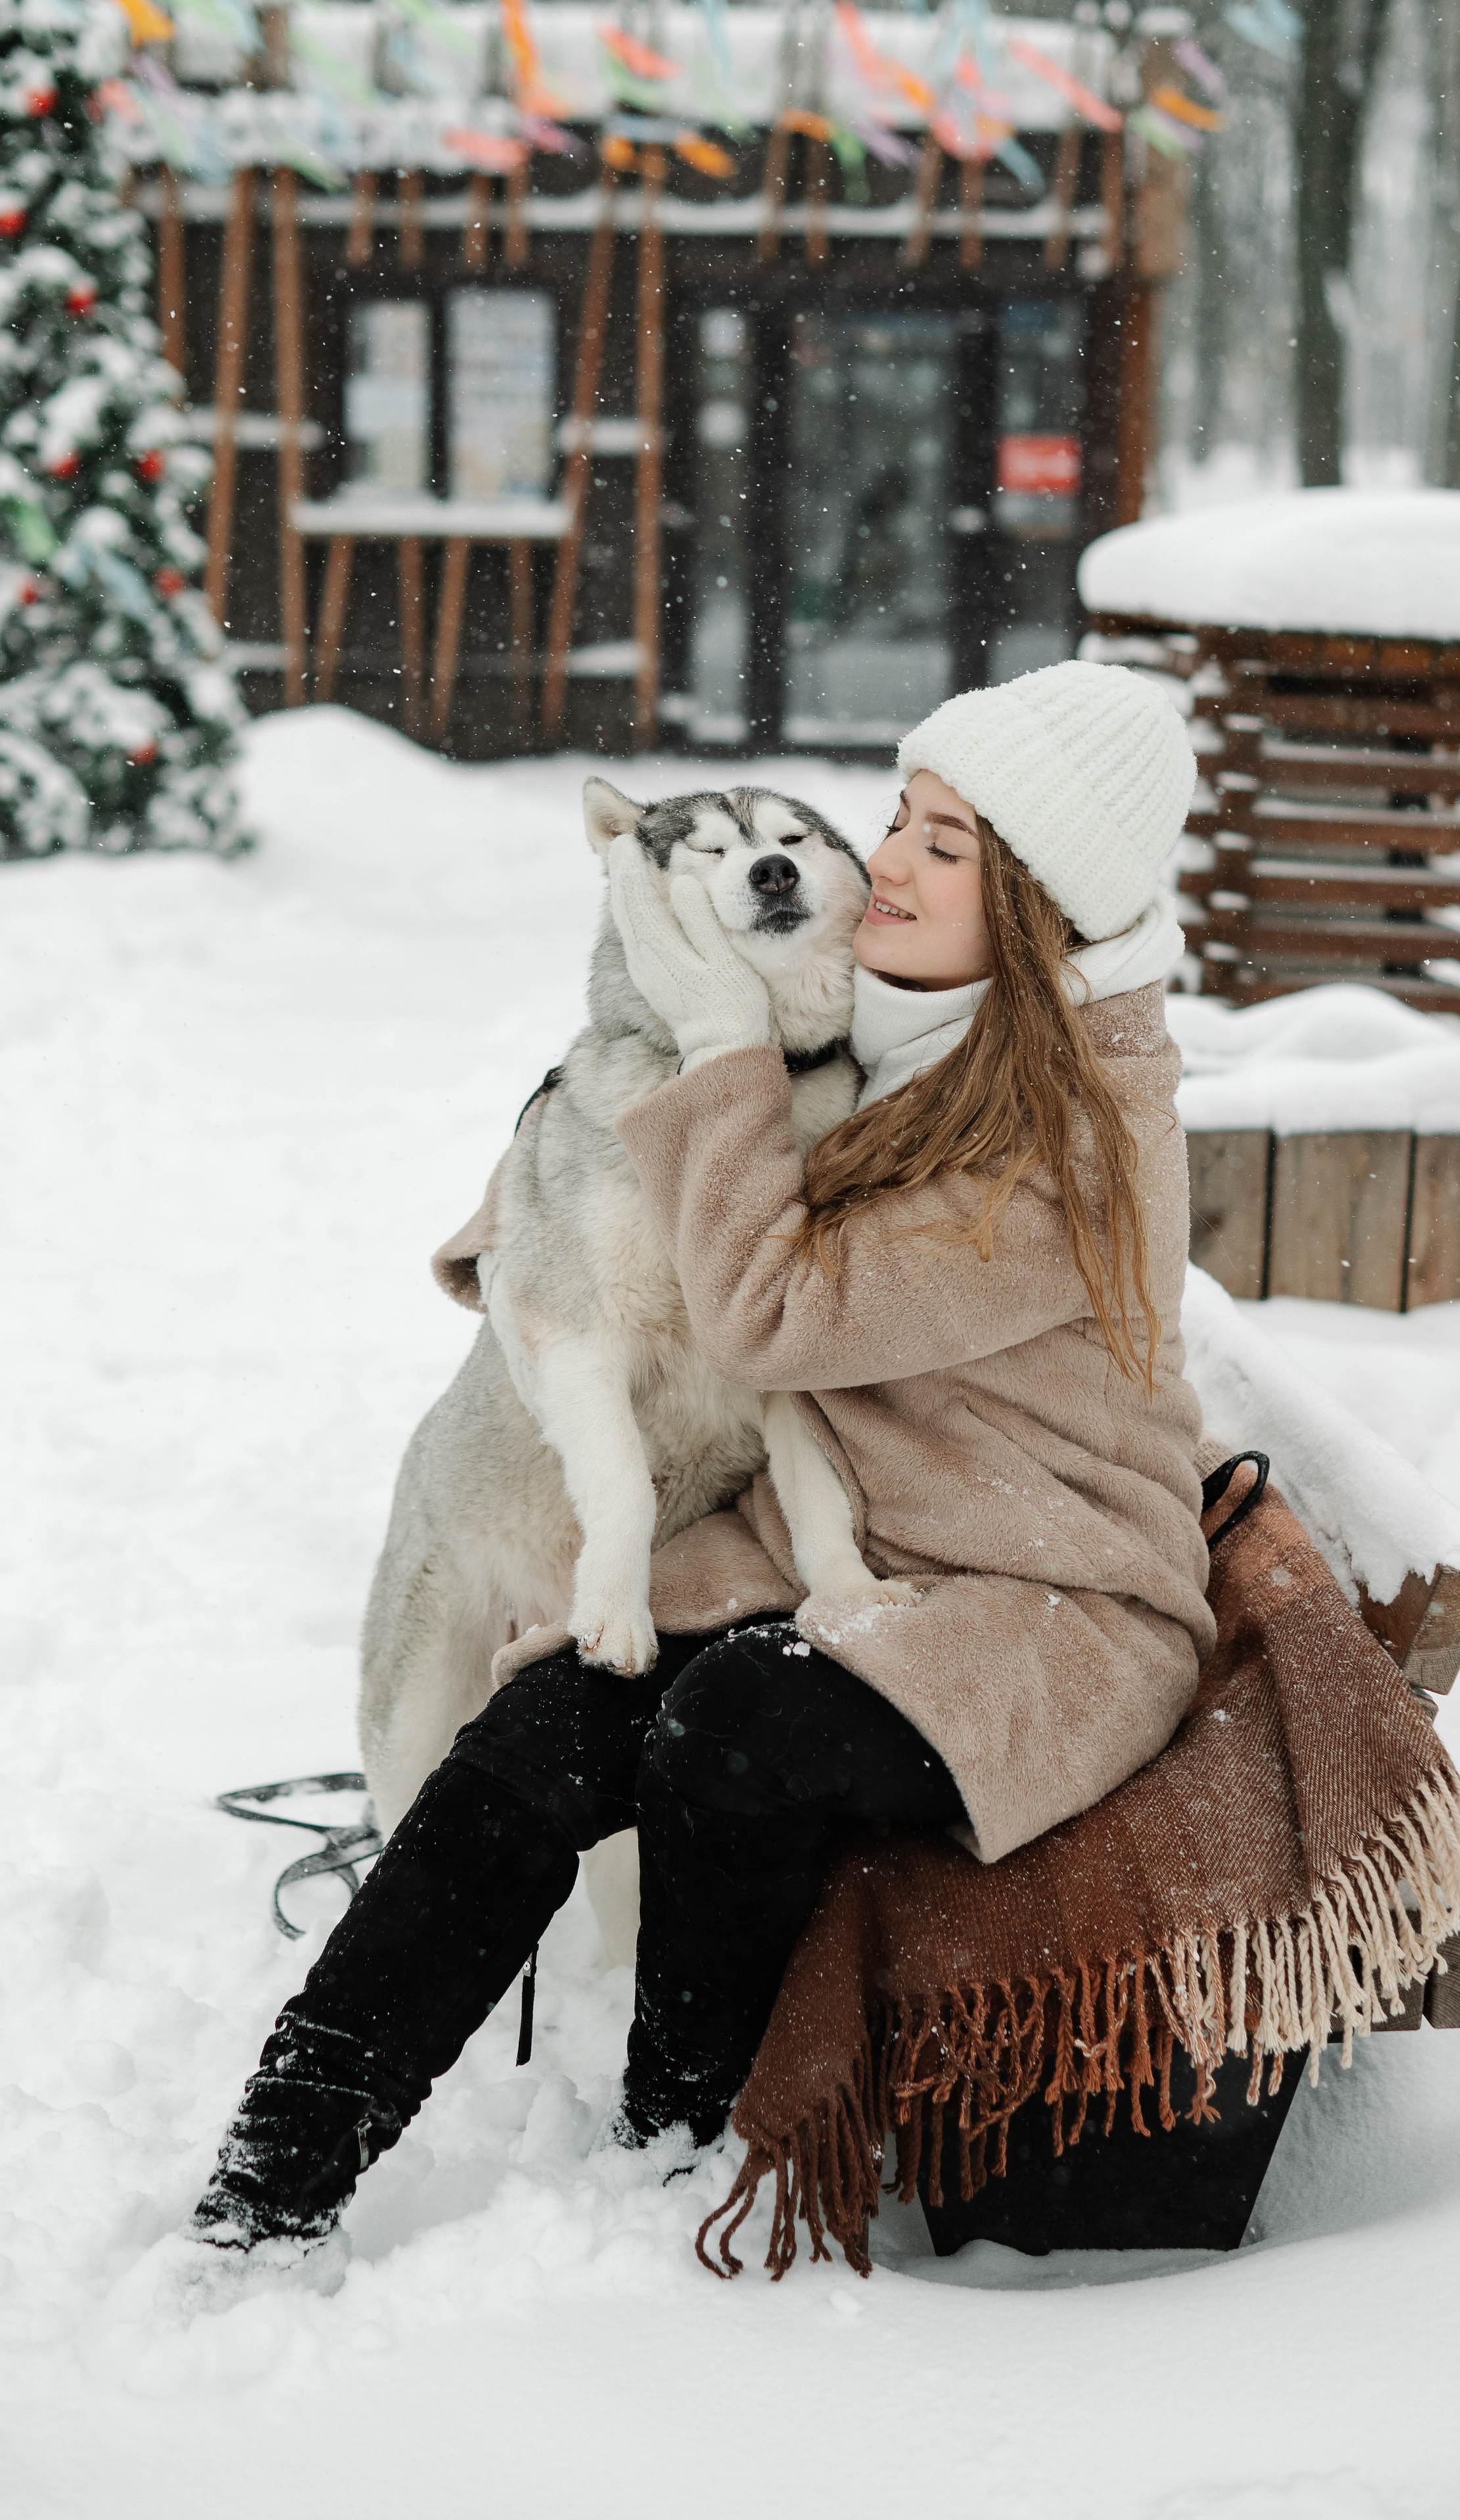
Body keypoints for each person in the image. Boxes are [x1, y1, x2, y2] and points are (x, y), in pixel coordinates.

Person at [190, 660, 1214, 2264]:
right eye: (898, 816)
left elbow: (768, 1314)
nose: (885, 859)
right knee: (544, 1726)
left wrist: (723, 1033)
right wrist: (535, 1198)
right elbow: (644, 1160)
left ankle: (677, 2157)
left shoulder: (1077, 1128)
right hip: (853, 1565)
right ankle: (271, 2174)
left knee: (728, 1727)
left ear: (1036, 903)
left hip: (1041, 1608)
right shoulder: (901, 1029)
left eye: (945, 846)